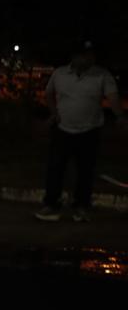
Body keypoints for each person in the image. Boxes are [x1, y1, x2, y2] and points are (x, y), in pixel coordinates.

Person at [35, 41, 122, 222]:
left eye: (91, 55)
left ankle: (81, 206)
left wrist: (120, 116)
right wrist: (54, 113)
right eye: (85, 55)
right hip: (63, 129)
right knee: (55, 168)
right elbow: (49, 93)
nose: (89, 58)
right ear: (75, 57)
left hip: (89, 130)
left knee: (85, 171)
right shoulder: (60, 74)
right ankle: (51, 204)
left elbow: (112, 98)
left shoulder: (101, 75)